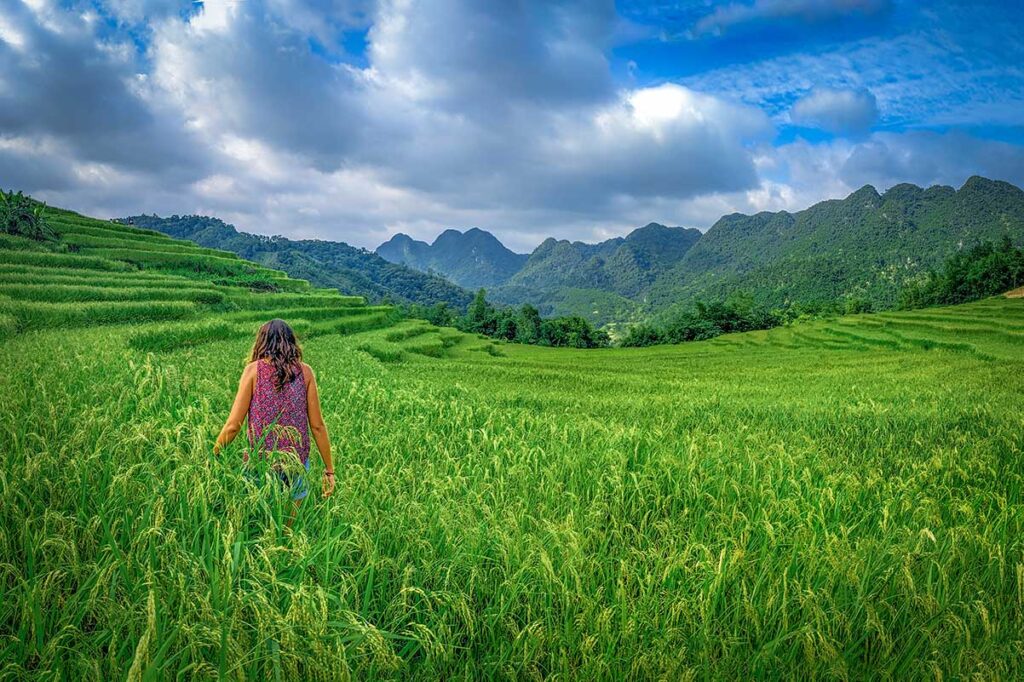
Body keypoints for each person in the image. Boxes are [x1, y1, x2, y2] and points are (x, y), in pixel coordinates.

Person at [214, 319, 335, 518]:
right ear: (291, 343)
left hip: (260, 462)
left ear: (262, 343)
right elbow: (318, 426)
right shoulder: (306, 372)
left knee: (258, 523)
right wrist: (329, 470)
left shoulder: (253, 371)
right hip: (296, 462)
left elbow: (233, 426)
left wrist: (215, 452)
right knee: (288, 530)